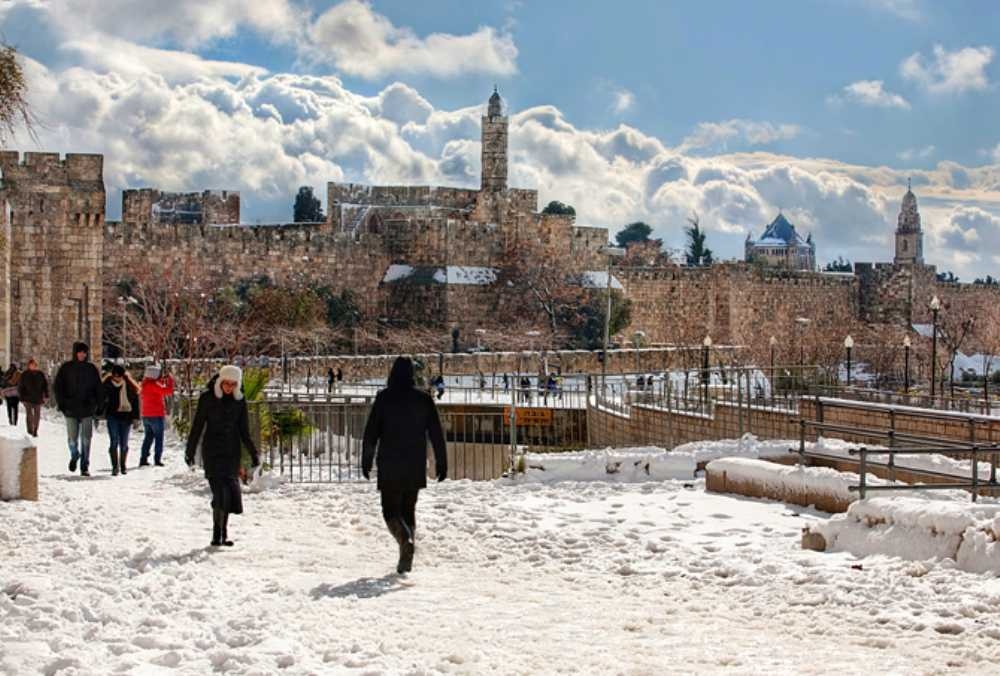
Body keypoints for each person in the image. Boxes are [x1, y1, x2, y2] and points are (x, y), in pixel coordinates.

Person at [362, 357, 447, 574]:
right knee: (409, 508)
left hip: (390, 461)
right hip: (415, 462)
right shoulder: (423, 399)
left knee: (389, 509)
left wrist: (366, 459)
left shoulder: (384, 398)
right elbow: (436, 433)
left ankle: (405, 541)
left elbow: (371, 432)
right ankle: (406, 550)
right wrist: (441, 461)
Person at [185, 365, 260, 547]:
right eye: (227, 383)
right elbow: (197, 427)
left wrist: (253, 454)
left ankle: (223, 533)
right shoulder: (208, 398)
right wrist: (190, 450)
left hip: (231, 452)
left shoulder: (239, 401)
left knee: (228, 494)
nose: (229, 387)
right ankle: (216, 534)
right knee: (219, 492)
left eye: (233, 385)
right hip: (212, 451)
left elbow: (244, 431)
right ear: (220, 381)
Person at [53, 342, 102, 477]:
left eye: (84, 352)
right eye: (79, 352)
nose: (82, 355)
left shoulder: (91, 369)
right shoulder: (66, 368)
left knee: (87, 439)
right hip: (71, 409)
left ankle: (85, 465)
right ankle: (75, 455)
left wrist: (99, 405)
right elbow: (58, 387)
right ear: (75, 353)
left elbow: (98, 388)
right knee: (72, 439)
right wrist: (62, 404)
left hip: (87, 409)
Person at [102, 364, 140, 476]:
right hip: (112, 416)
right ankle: (115, 466)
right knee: (114, 441)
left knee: (124, 443)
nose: (117, 379)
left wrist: (135, 418)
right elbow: (102, 400)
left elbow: (135, 402)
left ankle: (123, 465)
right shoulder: (107, 385)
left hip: (126, 417)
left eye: (119, 376)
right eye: (115, 376)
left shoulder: (129, 386)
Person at [139, 364, 174, 467]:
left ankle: (143, 458)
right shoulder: (154, 385)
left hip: (146, 415)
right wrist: (170, 380)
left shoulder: (145, 385)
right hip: (156, 415)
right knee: (159, 438)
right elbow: (168, 391)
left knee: (148, 437)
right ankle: (157, 459)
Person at [17, 359, 48, 437]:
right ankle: (30, 429)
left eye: (34, 365)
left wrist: (46, 395)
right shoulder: (25, 374)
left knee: (37, 415)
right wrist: (21, 398)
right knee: (29, 414)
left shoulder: (40, 374)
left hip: (38, 398)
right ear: (29, 365)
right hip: (27, 398)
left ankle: (35, 430)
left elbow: (45, 385)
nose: (33, 366)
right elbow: (20, 387)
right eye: (31, 365)